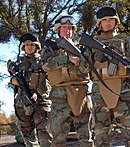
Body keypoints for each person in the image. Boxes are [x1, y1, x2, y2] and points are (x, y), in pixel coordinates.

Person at [88, 6, 130, 146]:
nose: (108, 23)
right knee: (100, 134)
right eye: (104, 20)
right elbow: (83, 67)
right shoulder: (91, 43)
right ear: (99, 23)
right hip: (100, 92)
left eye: (111, 20)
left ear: (115, 22)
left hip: (124, 91)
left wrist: (128, 69)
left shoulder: (124, 40)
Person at [41, 14, 94, 147]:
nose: (68, 30)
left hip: (81, 93)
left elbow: (89, 67)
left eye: (70, 28)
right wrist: (67, 59)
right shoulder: (50, 48)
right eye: (65, 28)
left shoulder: (81, 48)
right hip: (60, 95)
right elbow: (45, 65)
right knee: (58, 138)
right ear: (58, 30)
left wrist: (80, 61)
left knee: (86, 137)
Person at [7, 33, 52, 147]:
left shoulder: (43, 62)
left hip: (40, 103)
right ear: (23, 47)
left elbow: (49, 82)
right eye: (27, 45)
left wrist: (37, 93)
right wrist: (13, 81)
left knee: (45, 135)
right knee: (28, 136)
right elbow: (13, 85)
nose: (30, 47)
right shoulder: (18, 64)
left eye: (32, 44)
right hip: (22, 103)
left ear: (37, 46)